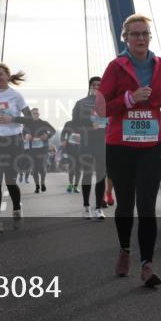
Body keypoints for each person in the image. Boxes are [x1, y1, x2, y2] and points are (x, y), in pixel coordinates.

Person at [96, 14, 161, 288]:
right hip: (120, 146)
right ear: (125, 38)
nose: (141, 38)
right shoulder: (115, 67)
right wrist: (130, 99)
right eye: (135, 34)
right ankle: (125, 249)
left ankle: (147, 264)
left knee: (146, 207)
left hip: (152, 145)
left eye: (145, 33)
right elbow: (101, 108)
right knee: (126, 206)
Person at [0, 63, 31, 233]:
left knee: (10, 181)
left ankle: (17, 208)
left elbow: (28, 118)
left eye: (0, 74)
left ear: (7, 76)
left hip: (14, 142)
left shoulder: (16, 95)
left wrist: (13, 119)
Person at [72, 76, 109, 220]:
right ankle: (86, 206)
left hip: (102, 143)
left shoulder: (108, 102)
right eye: (94, 85)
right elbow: (74, 125)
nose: (97, 87)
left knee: (101, 175)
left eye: (100, 85)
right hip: (86, 143)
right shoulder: (80, 103)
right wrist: (88, 126)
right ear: (89, 87)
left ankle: (98, 208)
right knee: (87, 174)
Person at [26, 109, 55, 193]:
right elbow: (23, 132)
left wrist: (47, 135)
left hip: (43, 148)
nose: (35, 114)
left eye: (36, 113)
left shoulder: (44, 123)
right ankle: (37, 186)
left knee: (42, 168)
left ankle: (42, 183)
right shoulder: (28, 124)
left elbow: (53, 131)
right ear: (31, 115)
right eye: (33, 113)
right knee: (34, 169)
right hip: (32, 149)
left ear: (39, 114)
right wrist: (26, 135)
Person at [60, 121, 81, 194]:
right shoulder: (68, 123)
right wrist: (63, 140)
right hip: (70, 149)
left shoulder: (85, 123)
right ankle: (70, 185)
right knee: (71, 167)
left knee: (78, 169)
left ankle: (76, 187)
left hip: (81, 149)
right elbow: (63, 133)